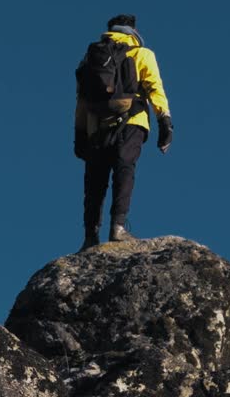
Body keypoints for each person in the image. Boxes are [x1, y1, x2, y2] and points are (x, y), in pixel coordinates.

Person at [74, 14, 173, 251]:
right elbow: (154, 87)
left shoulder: (91, 58)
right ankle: (118, 228)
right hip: (132, 119)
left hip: (96, 126)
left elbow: (81, 100)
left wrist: (79, 134)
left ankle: (90, 236)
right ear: (133, 31)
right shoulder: (141, 53)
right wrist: (164, 121)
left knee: (95, 182)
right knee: (124, 170)